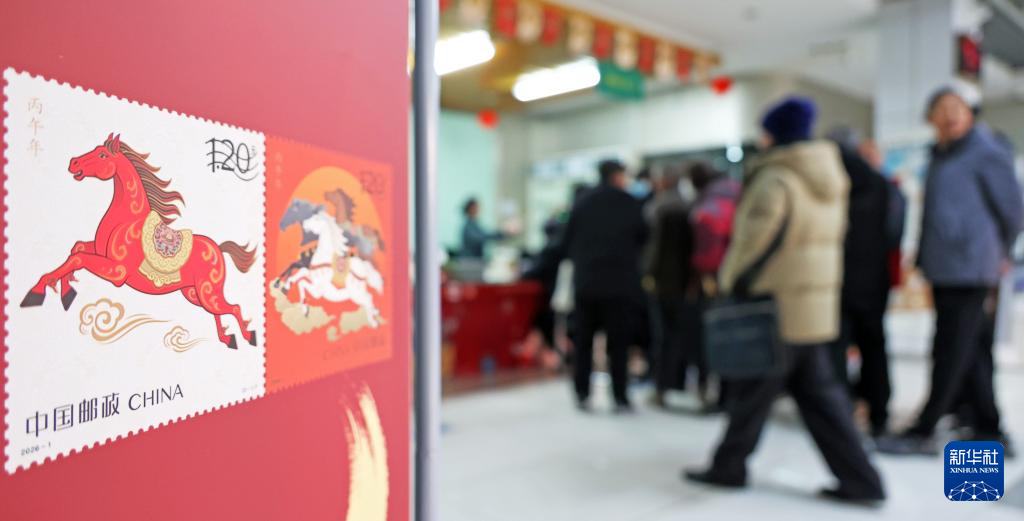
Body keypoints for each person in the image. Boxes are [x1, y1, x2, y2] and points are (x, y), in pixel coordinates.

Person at [685, 97, 886, 503]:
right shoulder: (829, 176)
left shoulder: (776, 177)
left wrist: (729, 280)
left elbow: (752, 242)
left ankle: (729, 466)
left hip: (776, 303)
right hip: (811, 307)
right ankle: (862, 479)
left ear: (774, 134)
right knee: (820, 398)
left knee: (753, 393)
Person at [878, 88, 1023, 455]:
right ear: (931, 118)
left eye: (957, 108)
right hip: (945, 267)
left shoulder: (986, 152)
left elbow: (1013, 210)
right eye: (941, 109)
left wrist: (1001, 252)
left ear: (971, 114)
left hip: (972, 267)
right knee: (973, 348)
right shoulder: (941, 155)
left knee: (950, 348)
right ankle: (986, 424)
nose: (950, 115)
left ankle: (925, 428)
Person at [825, 126, 898, 438]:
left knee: (836, 350)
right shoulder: (881, 184)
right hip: (873, 280)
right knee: (874, 348)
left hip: (837, 280)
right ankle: (879, 414)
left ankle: (840, 414)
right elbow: (893, 232)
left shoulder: (830, 181)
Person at [558, 160, 648, 412]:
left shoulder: (582, 202)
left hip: (586, 283)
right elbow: (643, 238)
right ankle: (620, 395)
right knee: (618, 344)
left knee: (584, 341)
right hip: (620, 285)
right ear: (617, 176)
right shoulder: (628, 202)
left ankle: (582, 392)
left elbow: (565, 242)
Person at [688, 161, 742, 412]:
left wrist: (704, 277)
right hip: (745, 276)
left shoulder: (708, 205)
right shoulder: (739, 191)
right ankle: (736, 393)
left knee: (717, 338)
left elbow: (707, 254)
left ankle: (721, 396)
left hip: (718, 280)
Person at [646, 165, 696, 407]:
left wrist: (649, 275)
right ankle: (678, 381)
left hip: (664, 283)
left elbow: (654, 251)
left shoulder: (658, 208)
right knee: (681, 334)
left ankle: (663, 384)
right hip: (686, 282)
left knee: (663, 336)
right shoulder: (690, 206)